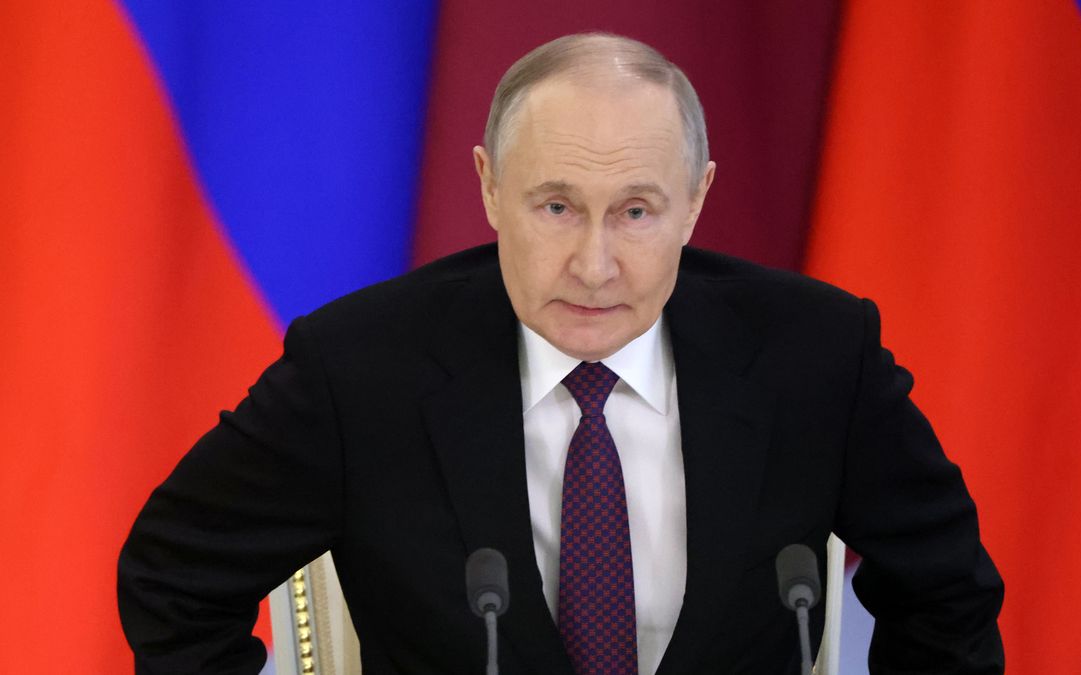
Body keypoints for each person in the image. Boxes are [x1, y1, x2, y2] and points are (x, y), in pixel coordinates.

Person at [118, 33, 1003, 674]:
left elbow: (949, 599)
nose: (594, 263)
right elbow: (171, 577)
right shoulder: (359, 370)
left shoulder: (816, 356)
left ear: (696, 203)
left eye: (636, 211)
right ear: (490, 189)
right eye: (555, 207)